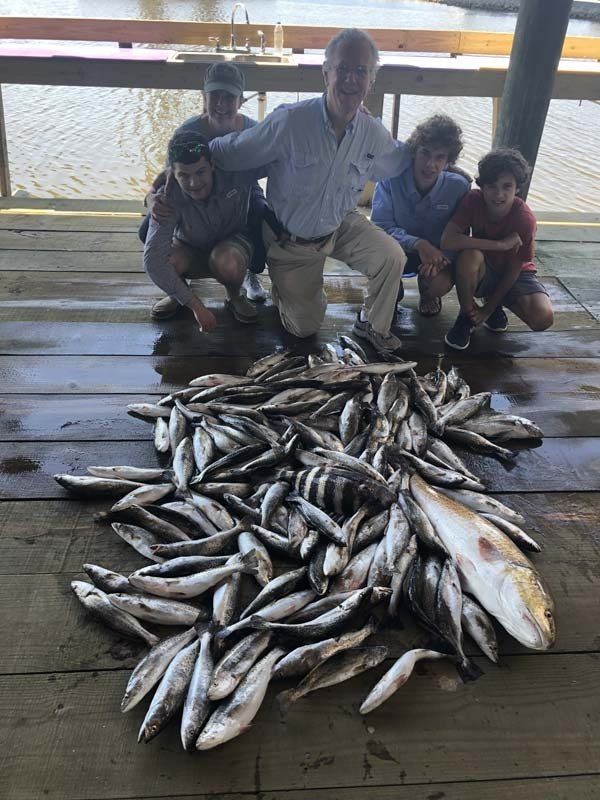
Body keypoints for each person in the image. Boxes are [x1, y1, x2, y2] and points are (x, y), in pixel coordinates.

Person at [210, 28, 412, 354]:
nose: (350, 79)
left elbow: (403, 159)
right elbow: (232, 151)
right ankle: (292, 290)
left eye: (361, 71)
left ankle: (373, 324)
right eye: (342, 68)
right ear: (326, 72)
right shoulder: (290, 122)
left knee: (392, 256)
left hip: (340, 223)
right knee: (305, 328)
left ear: (372, 79)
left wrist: (445, 163)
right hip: (292, 241)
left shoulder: (372, 133)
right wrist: (182, 159)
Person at [142, 62, 267, 318]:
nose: (221, 104)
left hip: (242, 189)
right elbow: (168, 177)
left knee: (260, 212)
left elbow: (283, 157)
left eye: (229, 97)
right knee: (148, 228)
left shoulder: (254, 131)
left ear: (241, 100)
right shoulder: (187, 131)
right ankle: (178, 292)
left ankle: (248, 276)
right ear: (204, 97)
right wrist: (151, 200)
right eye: (215, 96)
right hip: (192, 194)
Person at [143, 131, 259, 332]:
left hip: (231, 245)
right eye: (183, 175)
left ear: (212, 165)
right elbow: (152, 260)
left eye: (200, 172)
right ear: (172, 173)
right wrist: (197, 307)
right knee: (168, 261)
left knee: (228, 261)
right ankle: (178, 296)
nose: (194, 183)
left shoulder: (238, 173)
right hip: (188, 246)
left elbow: (280, 156)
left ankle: (234, 296)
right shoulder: (166, 196)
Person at [441, 148, 554, 350]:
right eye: (491, 186)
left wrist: (487, 309)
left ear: (518, 188)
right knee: (469, 257)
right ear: (482, 186)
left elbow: (514, 269)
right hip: (483, 266)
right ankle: (467, 316)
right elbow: (448, 240)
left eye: (507, 186)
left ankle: (493, 308)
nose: (499, 194)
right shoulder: (473, 200)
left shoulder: (525, 219)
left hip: (515, 272)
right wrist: (499, 245)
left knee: (542, 318)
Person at [371, 114, 469, 316]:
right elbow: (380, 226)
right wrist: (418, 244)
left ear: (449, 161)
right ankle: (392, 286)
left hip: (436, 254)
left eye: (440, 157)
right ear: (414, 151)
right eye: (425, 153)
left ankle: (428, 293)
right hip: (396, 250)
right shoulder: (390, 179)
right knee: (388, 288)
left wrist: (442, 260)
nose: (430, 164)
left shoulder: (458, 187)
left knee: (438, 285)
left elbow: (460, 233)